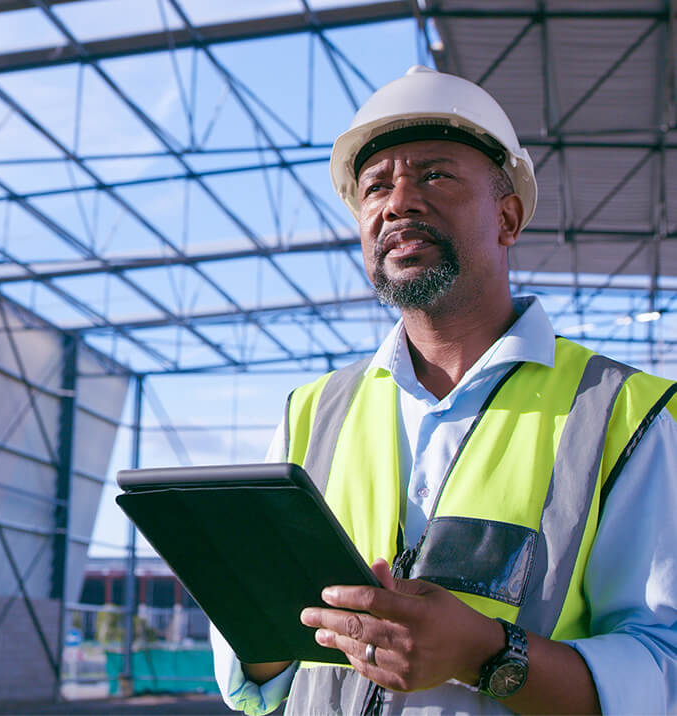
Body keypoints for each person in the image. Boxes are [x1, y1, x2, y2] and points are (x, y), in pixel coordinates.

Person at [211, 66, 677, 715]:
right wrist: (251, 607)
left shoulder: (625, 414)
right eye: (376, 186)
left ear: (507, 217)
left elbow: (665, 667)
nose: (398, 201)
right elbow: (258, 678)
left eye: (435, 175)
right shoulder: (311, 413)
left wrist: (484, 654)